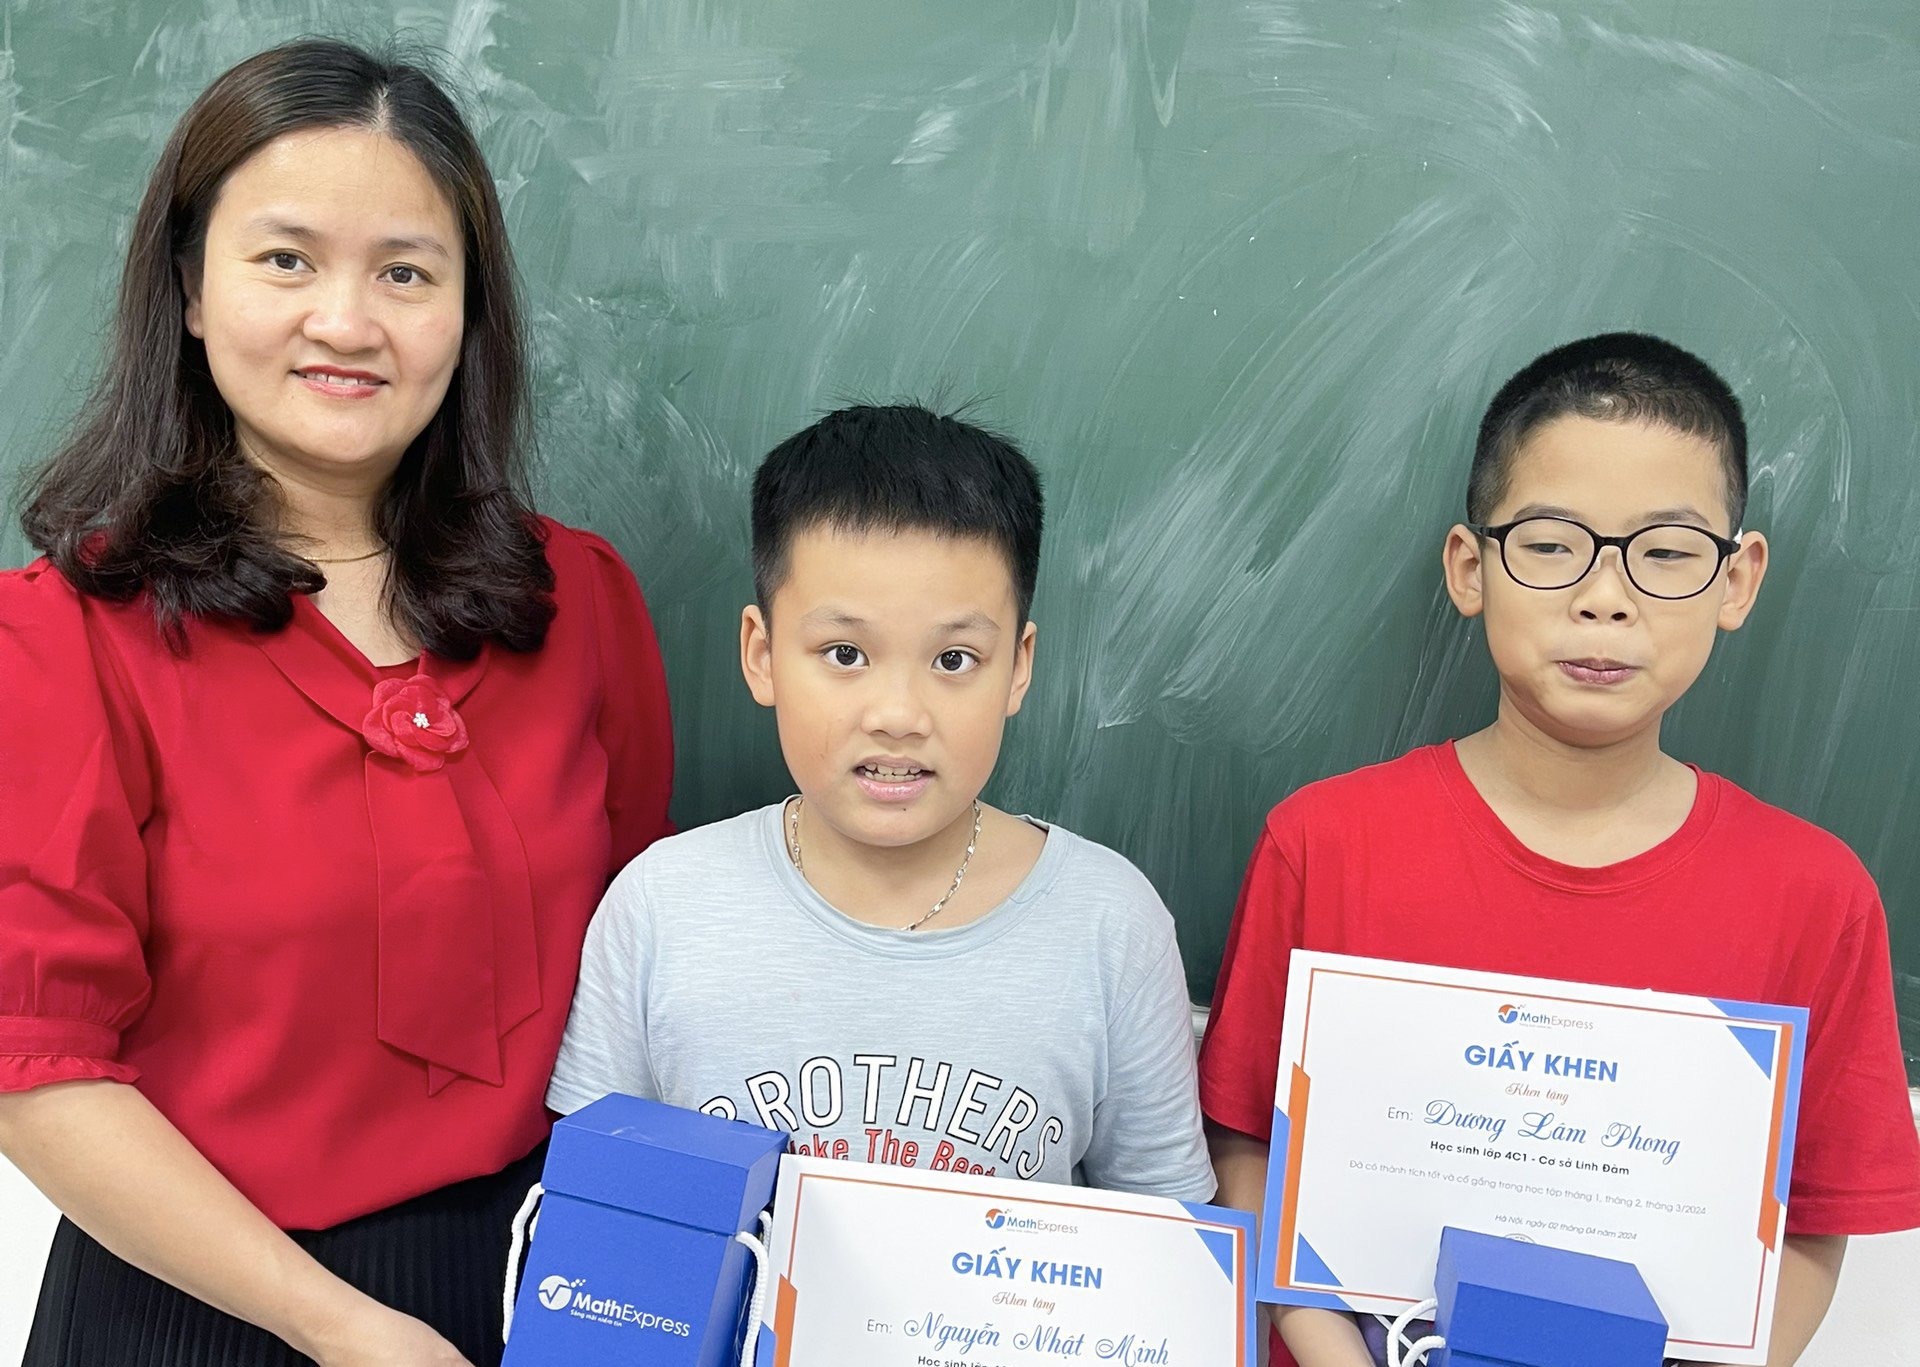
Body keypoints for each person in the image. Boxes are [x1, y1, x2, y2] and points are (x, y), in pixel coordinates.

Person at [0, 39, 673, 1367]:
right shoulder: (63, 638)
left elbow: (644, 968)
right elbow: (34, 1066)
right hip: (193, 1304)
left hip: (539, 1291)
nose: (349, 323)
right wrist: (342, 1328)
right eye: (287, 260)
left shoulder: (581, 602)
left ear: (467, 312)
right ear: (190, 290)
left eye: (406, 272)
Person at [1197, 332, 1920, 1367]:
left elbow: (1811, 1219)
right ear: (1470, 566)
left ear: (1737, 579)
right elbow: (1247, 1143)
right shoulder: (1327, 841)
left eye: (1666, 552)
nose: (1606, 596)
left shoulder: (1816, 895)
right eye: (1549, 543)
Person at [546, 404, 1213, 1199]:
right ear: (762, 654)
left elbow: (1168, 1239)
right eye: (845, 652)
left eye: (954, 658)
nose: (898, 714)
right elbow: (597, 1215)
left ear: (1019, 667)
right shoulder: (662, 906)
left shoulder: (1111, 926)